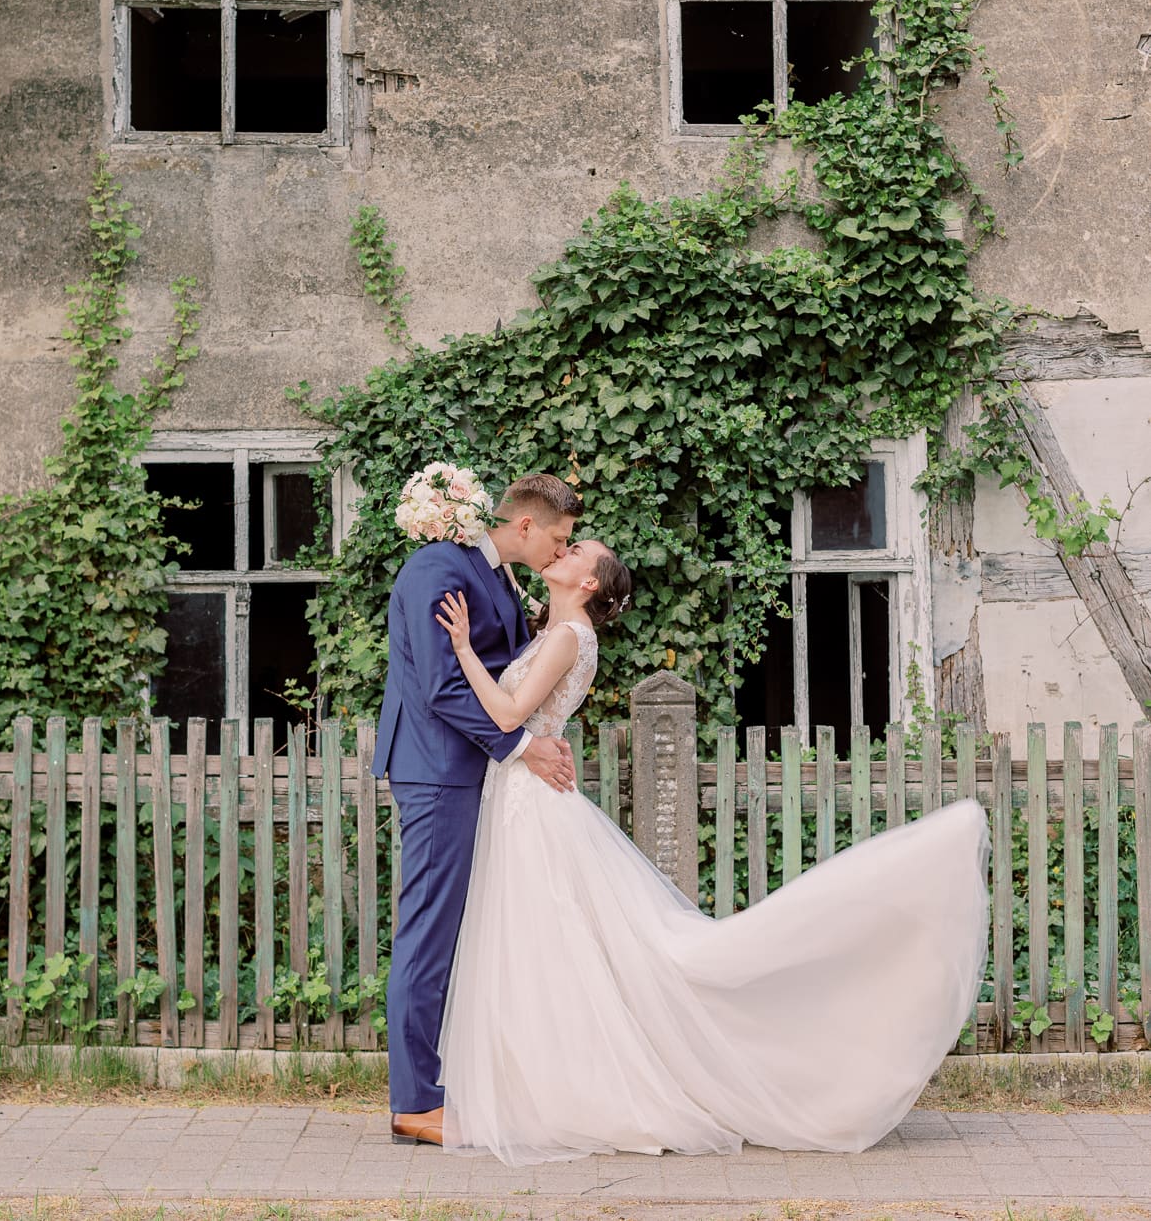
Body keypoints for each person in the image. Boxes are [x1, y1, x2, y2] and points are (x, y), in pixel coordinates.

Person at [433, 539, 990, 1166]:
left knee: (555, 945)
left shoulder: (568, 635)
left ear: (589, 582)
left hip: (531, 802)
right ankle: (545, 1087)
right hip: (526, 795)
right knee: (552, 947)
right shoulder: (560, 628)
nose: (563, 550)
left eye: (576, 550)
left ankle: (572, 1092)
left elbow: (508, 710)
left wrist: (459, 651)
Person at [371, 472, 584, 1147]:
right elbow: (439, 686)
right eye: (559, 536)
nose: (560, 549)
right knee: (428, 930)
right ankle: (414, 1101)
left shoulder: (493, 575)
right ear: (525, 525)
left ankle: (439, 1085)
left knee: (450, 929)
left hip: (468, 773)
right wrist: (522, 744)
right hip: (436, 770)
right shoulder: (439, 566)